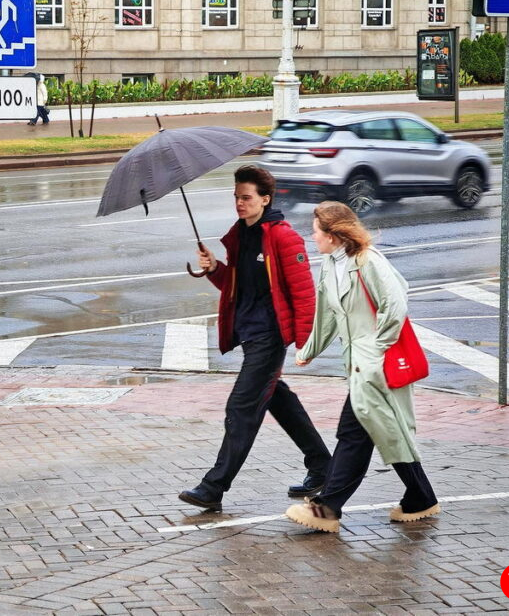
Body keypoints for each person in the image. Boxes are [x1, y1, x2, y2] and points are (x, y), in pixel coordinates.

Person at [178, 165, 331, 512]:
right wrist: (215, 269)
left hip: (269, 335)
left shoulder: (282, 236)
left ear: (265, 198)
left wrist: (305, 342)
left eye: (246, 198)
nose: (239, 203)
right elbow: (239, 287)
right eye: (236, 197)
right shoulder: (242, 235)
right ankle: (323, 466)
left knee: (241, 407)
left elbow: (304, 292)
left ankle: (213, 487)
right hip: (249, 332)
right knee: (277, 397)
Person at [286, 201, 439, 533]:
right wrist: (309, 349)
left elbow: (396, 302)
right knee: (384, 430)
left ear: (333, 234)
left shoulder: (367, 261)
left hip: (375, 367)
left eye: (315, 231)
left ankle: (327, 508)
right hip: (360, 368)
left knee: (353, 435)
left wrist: (377, 347)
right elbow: (327, 313)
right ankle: (421, 496)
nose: (312, 237)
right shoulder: (331, 264)